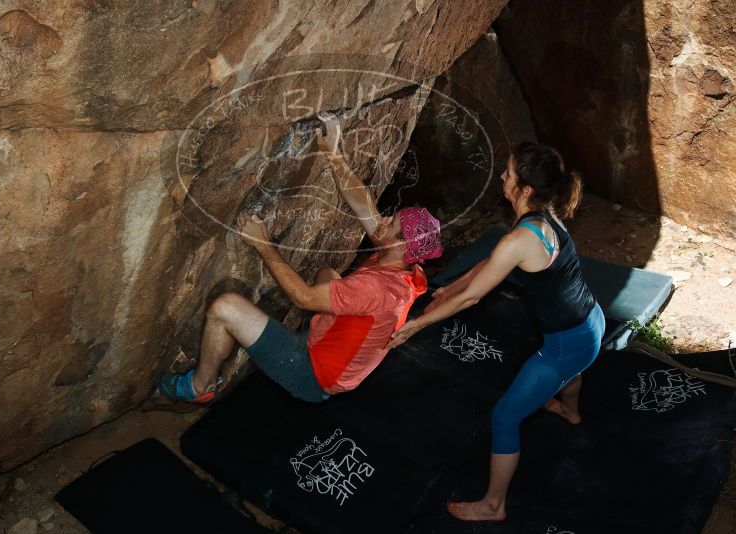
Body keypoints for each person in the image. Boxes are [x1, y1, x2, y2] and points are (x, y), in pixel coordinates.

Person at [157, 112, 442, 405]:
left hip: (311, 374)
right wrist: (334, 155)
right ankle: (311, 334)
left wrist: (262, 243)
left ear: (401, 245)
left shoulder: (380, 288)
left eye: (389, 224)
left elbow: (303, 298)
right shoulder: (402, 262)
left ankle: (200, 385)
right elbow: (363, 205)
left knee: (224, 308)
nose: (380, 221)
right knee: (329, 274)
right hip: (332, 347)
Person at [388, 141, 605, 522]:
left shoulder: (519, 238)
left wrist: (414, 326)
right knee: (572, 368)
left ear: (523, 190)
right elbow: (494, 261)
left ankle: (493, 505)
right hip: (591, 321)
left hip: (568, 343)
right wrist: (450, 288)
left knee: (505, 418)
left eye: (508, 173)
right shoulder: (543, 215)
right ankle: (570, 411)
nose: (502, 177)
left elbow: (473, 298)